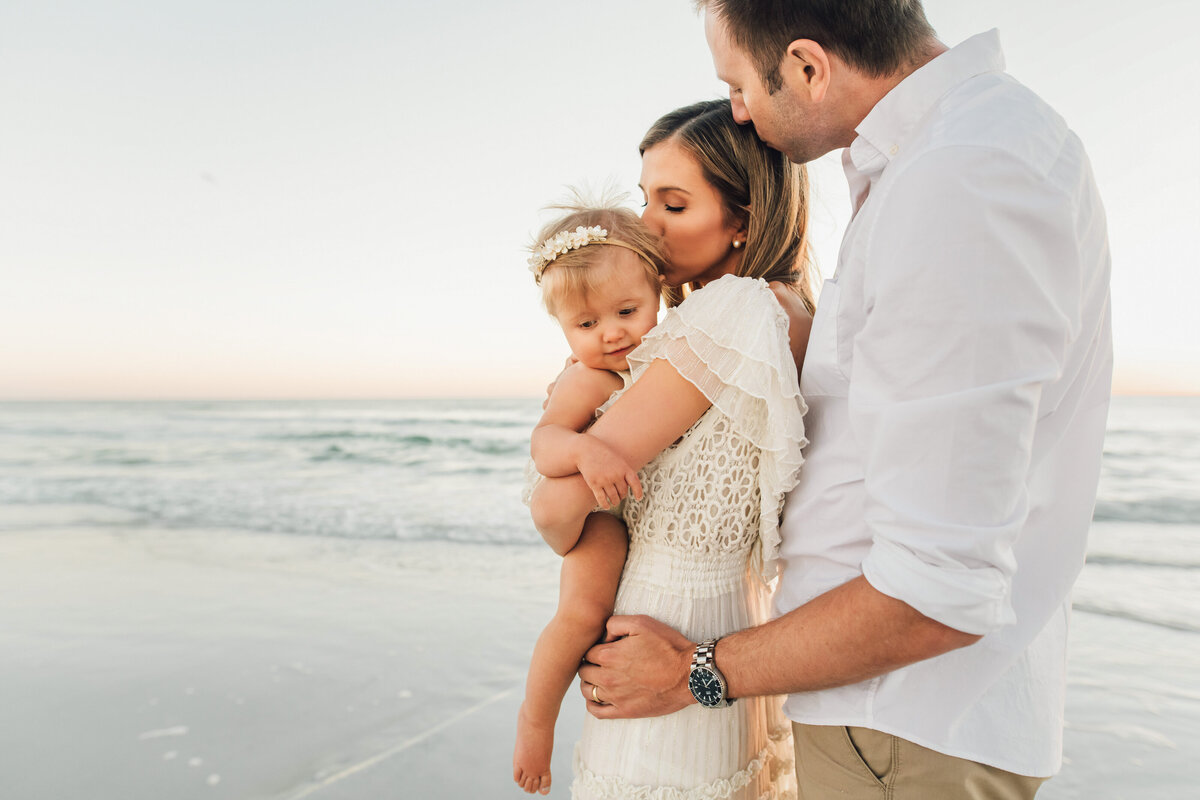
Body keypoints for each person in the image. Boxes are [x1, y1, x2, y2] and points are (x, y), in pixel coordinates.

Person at [578, 2, 1114, 798]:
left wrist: (697, 672)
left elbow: (937, 586)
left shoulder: (961, 176)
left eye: (737, 85)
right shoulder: (947, 159)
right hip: (886, 713)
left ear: (806, 65)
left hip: (904, 724)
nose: (737, 112)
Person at [529, 98, 815, 799]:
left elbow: (557, 503)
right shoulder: (790, 311)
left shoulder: (730, 314)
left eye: (675, 205)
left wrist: (560, 459)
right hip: (724, 633)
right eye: (645, 199)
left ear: (741, 218)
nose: (645, 225)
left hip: (662, 641)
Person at [513, 202, 669, 795]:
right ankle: (535, 720)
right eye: (585, 325)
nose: (610, 333)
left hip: (647, 515)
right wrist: (583, 452)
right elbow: (544, 443)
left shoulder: (669, 357)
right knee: (581, 617)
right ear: (563, 330)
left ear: (658, 291)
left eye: (627, 311)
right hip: (600, 519)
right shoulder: (589, 378)